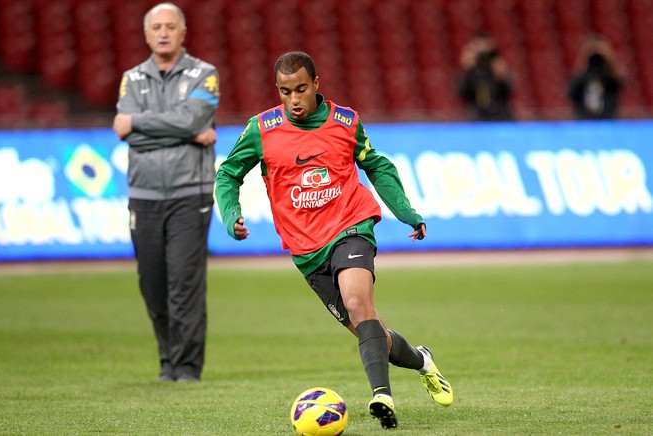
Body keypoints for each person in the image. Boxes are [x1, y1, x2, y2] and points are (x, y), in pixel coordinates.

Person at [215, 51, 453, 429]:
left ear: (316, 85)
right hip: (307, 251)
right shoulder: (261, 129)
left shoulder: (345, 122)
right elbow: (227, 174)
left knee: (359, 302)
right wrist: (231, 216)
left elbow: (376, 164)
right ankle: (422, 359)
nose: (294, 99)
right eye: (284, 91)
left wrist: (406, 211)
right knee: (370, 331)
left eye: (301, 89)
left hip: (350, 225)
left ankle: (381, 395)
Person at [112, 2, 220, 383]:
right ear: (146, 34)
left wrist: (140, 123)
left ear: (182, 32)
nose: (162, 32)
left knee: (184, 282)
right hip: (143, 194)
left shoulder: (204, 74)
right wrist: (185, 133)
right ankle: (166, 360)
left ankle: (187, 368)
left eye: (170, 26)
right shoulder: (131, 78)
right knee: (153, 283)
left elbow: (190, 118)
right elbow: (125, 133)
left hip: (190, 193)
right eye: (155, 26)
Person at [457, 32, 514, 121]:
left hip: (500, 114)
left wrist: (503, 75)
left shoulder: (497, 64)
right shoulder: (471, 69)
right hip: (476, 116)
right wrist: (466, 71)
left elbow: (510, 90)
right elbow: (461, 92)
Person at [567, 35, 626, 120]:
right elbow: (570, 93)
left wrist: (608, 57)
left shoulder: (609, 78)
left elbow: (621, 81)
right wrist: (585, 60)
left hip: (608, 122)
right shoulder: (581, 78)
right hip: (585, 123)